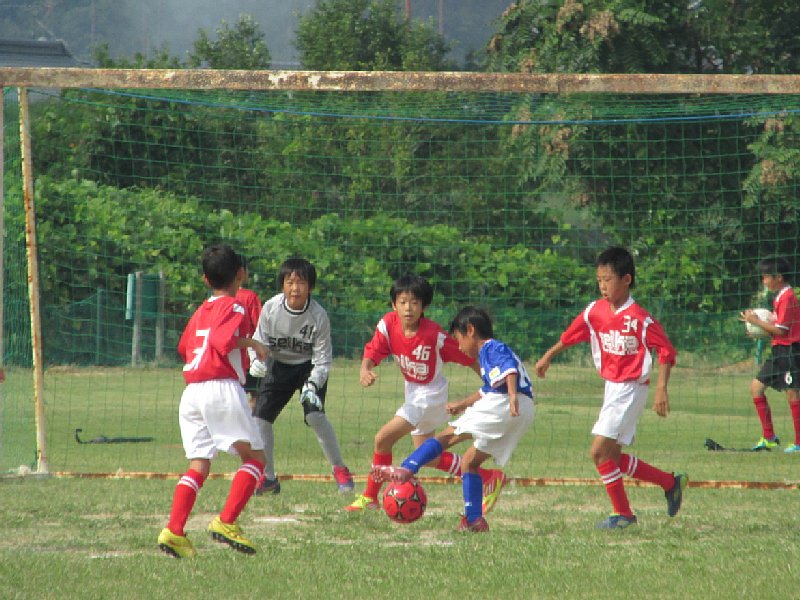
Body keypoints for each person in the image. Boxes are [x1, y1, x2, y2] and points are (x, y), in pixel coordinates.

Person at [534, 246, 687, 530]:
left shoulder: (639, 318)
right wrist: (547, 356)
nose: (602, 286)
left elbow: (666, 351)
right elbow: (571, 335)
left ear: (626, 280)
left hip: (631, 389)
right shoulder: (595, 311)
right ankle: (669, 483)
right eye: (599, 280)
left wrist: (661, 388)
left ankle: (623, 514)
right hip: (612, 388)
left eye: (608, 279)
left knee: (598, 452)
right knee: (612, 456)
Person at [346, 276, 507, 515]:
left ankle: (370, 497)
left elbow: (468, 357)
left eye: (414, 303)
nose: (408, 308)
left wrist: (490, 382)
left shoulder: (434, 335)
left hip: (430, 395)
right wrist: (365, 369)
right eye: (402, 302)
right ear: (393, 304)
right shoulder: (388, 325)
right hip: (412, 392)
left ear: (424, 307)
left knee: (382, 439)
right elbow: (373, 349)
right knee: (429, 457)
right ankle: (488, 477)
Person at [371, 306, 534, 532]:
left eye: (458, 339)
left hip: (506, 403)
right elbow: (489, 388)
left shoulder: (491, 347)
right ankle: (474, 520)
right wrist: (463, 404)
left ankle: (406, 469)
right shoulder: (490, 355)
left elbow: (509, 370)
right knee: (470, 462)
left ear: (470, 331)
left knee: (446, 437)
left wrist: (513, 395)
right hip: (522, 411)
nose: (458, 346)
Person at [158, 243, 269, 559]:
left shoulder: (200, 311)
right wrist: (252, 344)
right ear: (241, 274)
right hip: (220, 387)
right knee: (256, 458)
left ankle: (175, 530)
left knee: (199, 463)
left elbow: (184, 347)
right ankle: (226, 522)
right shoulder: (234, 306)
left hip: (192, 392)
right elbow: (222, 341)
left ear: (205, 280)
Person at [248, 257, 354, 494]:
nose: (295, 288)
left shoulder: (319, 316)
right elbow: (257, 342)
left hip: (308, 369)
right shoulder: (271, 308)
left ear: (311, 287)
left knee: (315, 416)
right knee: (260, 420)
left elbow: (323, 360)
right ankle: (268, 478)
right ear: (282, 285)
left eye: (301, 283)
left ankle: (340, 469)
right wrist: (256, 360)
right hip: (278, 366)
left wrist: (313, 385)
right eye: (290, 282)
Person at [740, 257, 800, 453]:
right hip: (778, 350)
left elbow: (781, 330)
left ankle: (799, 442)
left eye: (766, 277)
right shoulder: (780, 297)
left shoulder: (788, 297)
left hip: (790, 351)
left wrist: (755, 322)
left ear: (778, 277)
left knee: (792, 393)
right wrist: (759, 330)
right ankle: (769, 437)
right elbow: (777, 328)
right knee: (756, 388)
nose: (763, 281)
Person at [235, 256, 263, 410]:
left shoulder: (216, 298)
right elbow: (261, 325)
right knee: (258, 395)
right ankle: (247, 419)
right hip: (248, 358)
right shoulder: (249, 297)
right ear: (243, 272)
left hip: (228, 360)